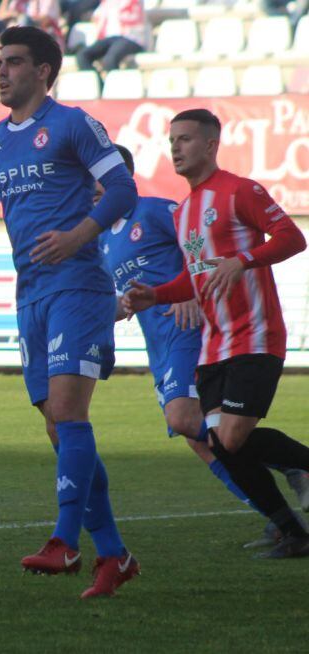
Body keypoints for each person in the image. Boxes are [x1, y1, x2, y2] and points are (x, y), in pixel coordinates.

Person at [0, 26, 139, 598]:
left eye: (15, 62)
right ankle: (116, 555)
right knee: (58, 425)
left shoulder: (74, 124)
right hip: (30, 293)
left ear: (45, 71)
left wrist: (79, 236)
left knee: (68, 413)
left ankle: (64, 539)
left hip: (79, 284)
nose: (1, 71)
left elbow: (122, 190)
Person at [99, 145, 309, 544]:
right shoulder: (101, 241)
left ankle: (292, 466)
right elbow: (123, 300)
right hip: (157, 344)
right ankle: (280, 521)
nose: (89, 188)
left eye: (96, 178)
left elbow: (197, 255)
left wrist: (191, 295)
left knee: (188, 421)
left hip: (187, 332)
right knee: (202, 442)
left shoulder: (158, 211)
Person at [0, 0, 63, 70]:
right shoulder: (17, 2)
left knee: (24, 20)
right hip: (13, 28)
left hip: (37, 32)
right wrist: (10, 9)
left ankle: (19, 58)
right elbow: (1, 15)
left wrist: (23, 17)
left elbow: (46, 20)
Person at [75, 0, 147, 77]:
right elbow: (96, 16)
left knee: (110, 59)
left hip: (130, 38)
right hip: (110, 38)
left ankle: (115, 87)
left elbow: (133, 16)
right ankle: (99, 86)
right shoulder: (107, 2)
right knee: (83, 56)